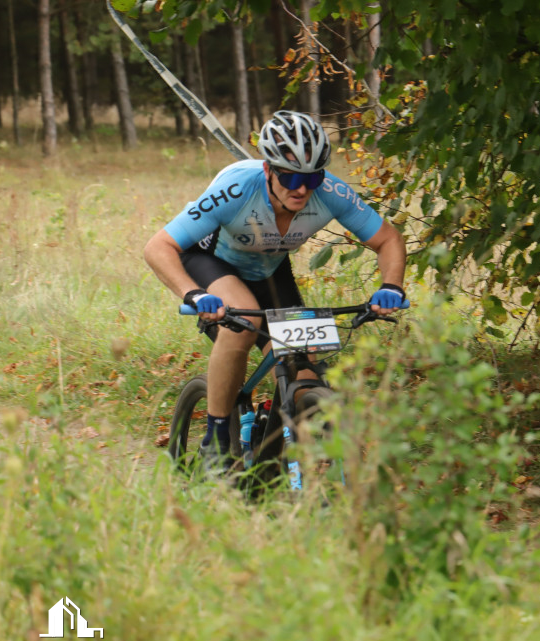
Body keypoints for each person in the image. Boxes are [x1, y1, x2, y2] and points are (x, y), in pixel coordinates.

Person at [144, 110, 407, 464]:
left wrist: (391, 286)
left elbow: (388, 239)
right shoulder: (235, 189)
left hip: (268, 268)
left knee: (306, 371)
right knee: (244, 326)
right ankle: (216, 441)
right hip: (210, 261)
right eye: (290, 177)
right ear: (268, 170)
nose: (301, 189)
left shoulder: (331, 192)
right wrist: (194, 294)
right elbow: (158, 247)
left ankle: (273, 460)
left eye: (311, 179)